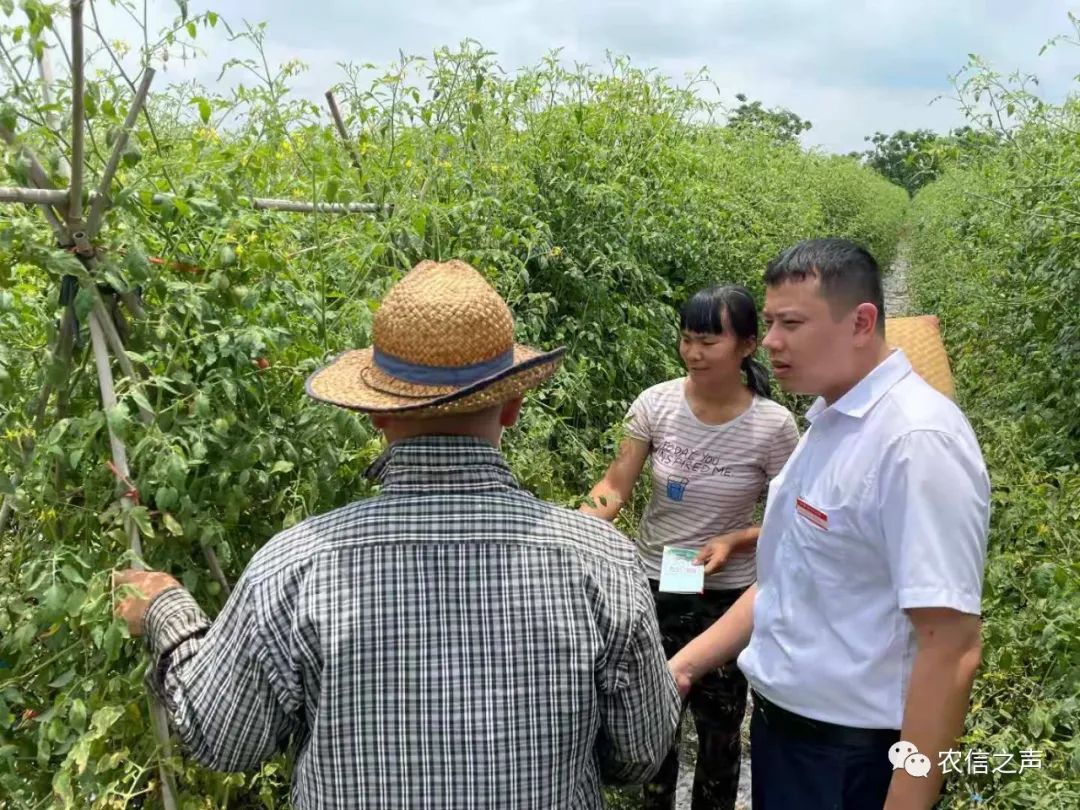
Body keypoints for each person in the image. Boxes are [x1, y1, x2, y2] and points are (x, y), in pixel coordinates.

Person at [113, 259, 680, 810]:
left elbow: (223, 738)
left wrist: (167, 611)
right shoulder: (602, 562)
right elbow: (639, 753)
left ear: (376, 413)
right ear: (513, 406)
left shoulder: (294, 566)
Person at [669, 239, 990, 810]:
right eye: (769, 322)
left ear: (861, 322)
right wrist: (685, 666)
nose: (769, 342)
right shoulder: (829, 423)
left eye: (791, 323)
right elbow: (785, 581)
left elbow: (951, 646)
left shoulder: (916, 443)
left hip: (851, 762)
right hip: (788, 740)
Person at [581, 284, 800, 810]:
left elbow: (793, 525)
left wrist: (736, 538)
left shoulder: (774, 427)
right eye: (685, 340)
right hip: (650, 589)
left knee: (720, 734)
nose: (694, 353)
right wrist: (574, 529)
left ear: (747, 345)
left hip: (726, 598)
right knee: (653, 728)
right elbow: (613, 487)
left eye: (708, 341)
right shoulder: (655, 405)